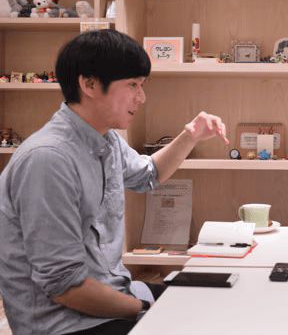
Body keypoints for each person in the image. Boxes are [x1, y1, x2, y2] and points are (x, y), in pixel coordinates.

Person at [0, 30, 229, 335]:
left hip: (112, 295)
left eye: (142, 85)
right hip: (68, 324)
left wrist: (191, 135)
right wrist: (144, 308)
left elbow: (148, 175)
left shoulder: (106, 140)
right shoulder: (48, 160)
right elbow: (65, 286)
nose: (141, 97)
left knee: (219, 302)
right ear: (89, 84)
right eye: (132, 85)